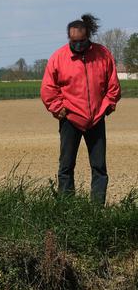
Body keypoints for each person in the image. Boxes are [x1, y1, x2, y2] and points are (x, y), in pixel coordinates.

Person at [41, 13, 120, 204]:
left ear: (88, 37)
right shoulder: (58, 57)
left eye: (81, 41)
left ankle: (97, 209)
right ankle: (68, 208)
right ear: (69, 37)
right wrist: (58, 108)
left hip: (96, 118)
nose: (77, 45)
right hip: (70, 118)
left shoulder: (103, 54)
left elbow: (113, 84)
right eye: (73, 41)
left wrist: (109, 104)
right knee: (66, 166)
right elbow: (48, 88)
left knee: (99, 167)